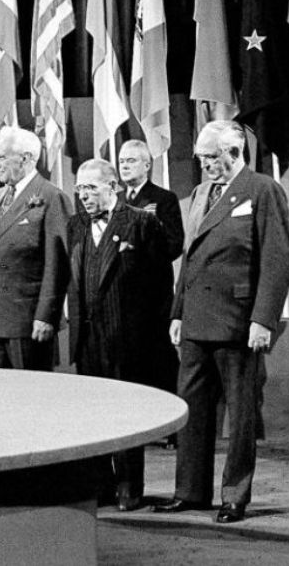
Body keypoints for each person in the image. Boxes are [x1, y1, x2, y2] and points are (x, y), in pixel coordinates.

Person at [153, 120, 289, 524]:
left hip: (238, 323)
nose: (205, 165)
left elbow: (277, 260)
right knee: (192, 410)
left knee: (241, 414)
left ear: (234, 153)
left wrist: (263, 320)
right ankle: (190, 491)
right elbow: (190, 258)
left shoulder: (262, 190)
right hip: (196, 321)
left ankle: (235, 495)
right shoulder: (199, 194)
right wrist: (178, 311)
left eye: (211, 157)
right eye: (201, 158)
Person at [67, 158, 168, 510]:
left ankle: (130, 487)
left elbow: (160, 286)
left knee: (125, 414)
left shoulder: (141, 223)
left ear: (113, 187)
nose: (84, 195)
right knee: (93, 416)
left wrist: (153, 336)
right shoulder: (75, 224)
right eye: (80, 188)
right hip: (88, 338)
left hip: (127, 338)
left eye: (91, 187)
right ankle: (101, 486)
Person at [0, 127, 68, 371]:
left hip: (26, 320)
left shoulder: (51, 197)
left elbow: (57, 265)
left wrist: (45, 315)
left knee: (29, 398)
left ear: (26, 158)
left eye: (1, 157)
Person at [117, 139, 184, 403]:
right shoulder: (117, 200)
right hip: (123, 296)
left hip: (154, 296)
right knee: (131, 362)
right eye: (121, 161)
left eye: (131, 161)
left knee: (160, 359)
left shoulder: (163, 199)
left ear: (147, 164)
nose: (124, 166)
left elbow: (174, 244)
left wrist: (136, 246)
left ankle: (172, 425)